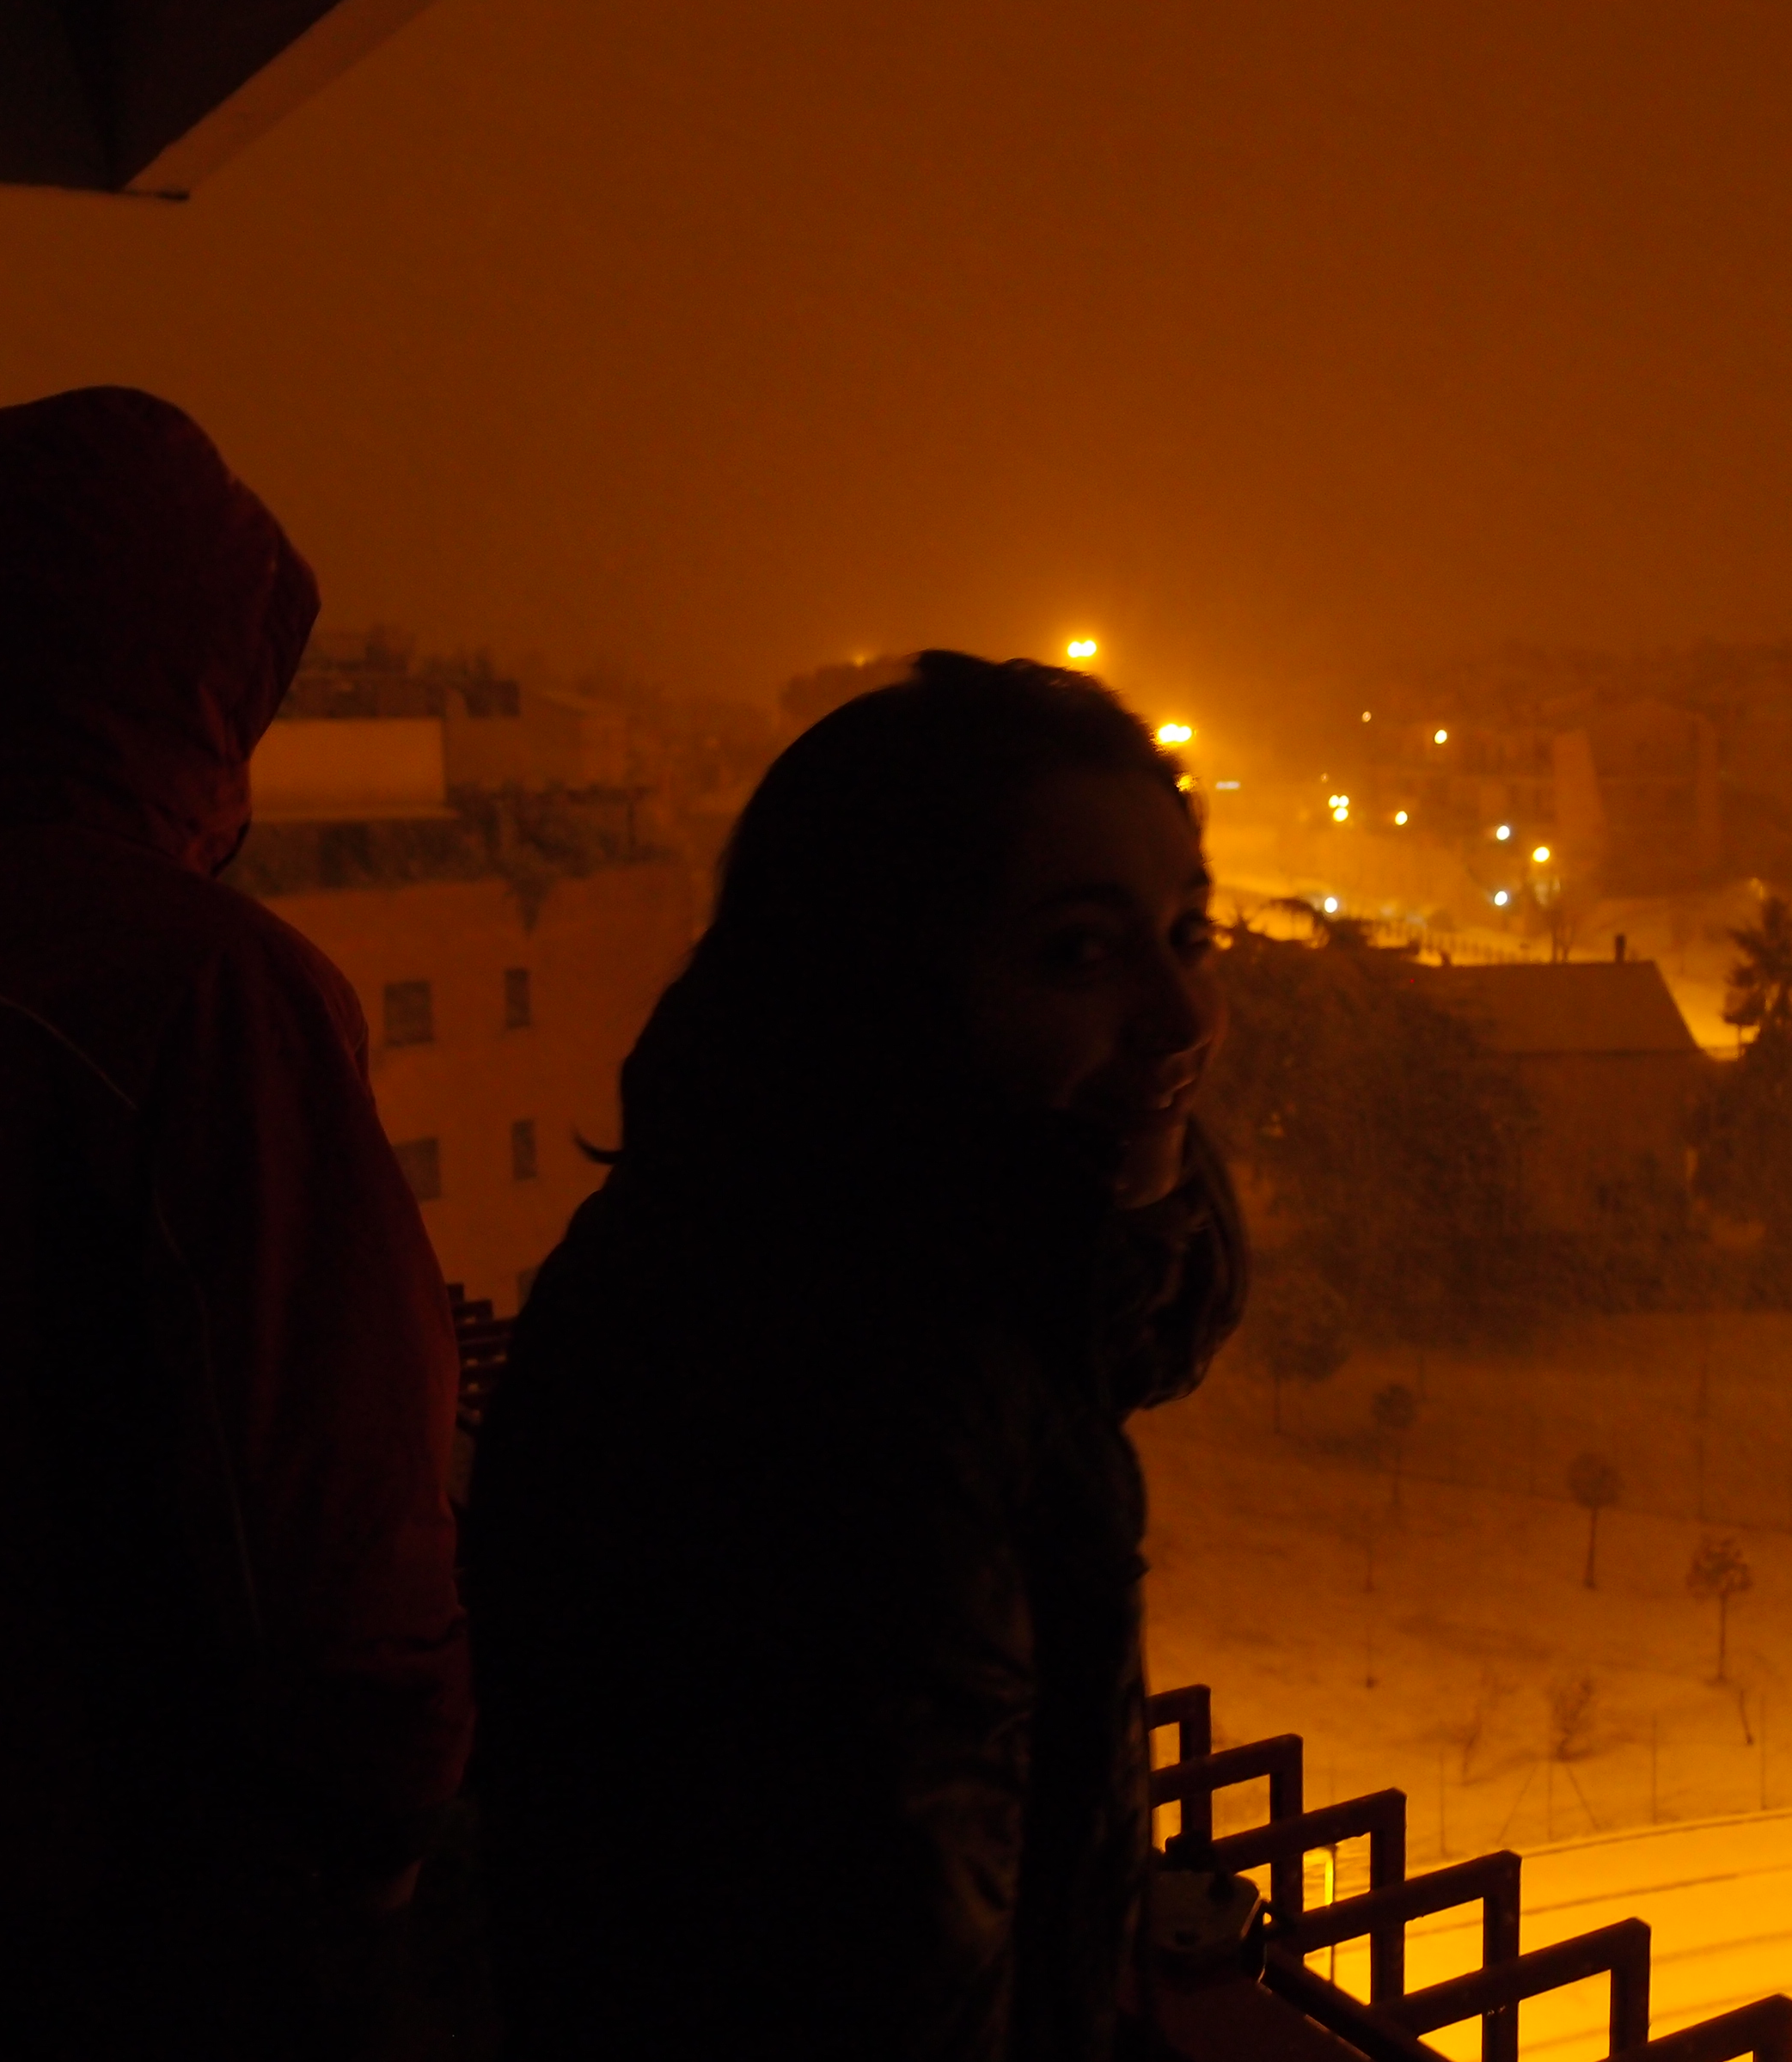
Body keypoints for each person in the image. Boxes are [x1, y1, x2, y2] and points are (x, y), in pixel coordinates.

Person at [0, 389, 472, 2056]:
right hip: (135, 1922)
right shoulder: (204, 996)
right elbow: (322, 1505)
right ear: (205, 662)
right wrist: (379, 1834)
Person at [468, 654, 1245, 2059]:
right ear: (886, 982)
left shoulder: (808, 1245)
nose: (1184, 1016)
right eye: (1079, 949)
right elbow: (877, 1972)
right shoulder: (853, 1398)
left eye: (1190, 932)